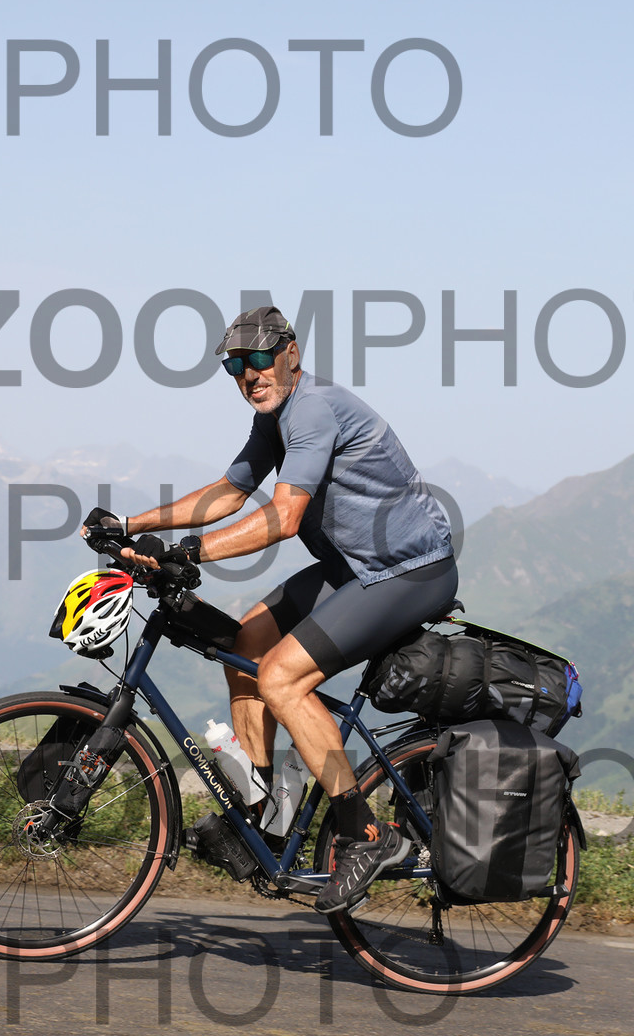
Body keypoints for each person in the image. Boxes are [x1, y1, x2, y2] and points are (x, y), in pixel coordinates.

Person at [82, 306, 458, 914]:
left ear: (291, 353)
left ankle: (367, 834)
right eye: (235, 366)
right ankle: (264, 817)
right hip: (353, 568)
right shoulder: (275, 417)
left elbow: (283, 517)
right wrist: (129, 524)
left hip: (409, 572)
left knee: (281, 678)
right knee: (245, 646)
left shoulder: (312, 409)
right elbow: (228, 492)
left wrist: (188, 551)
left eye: (259, 358)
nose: (249, 374)